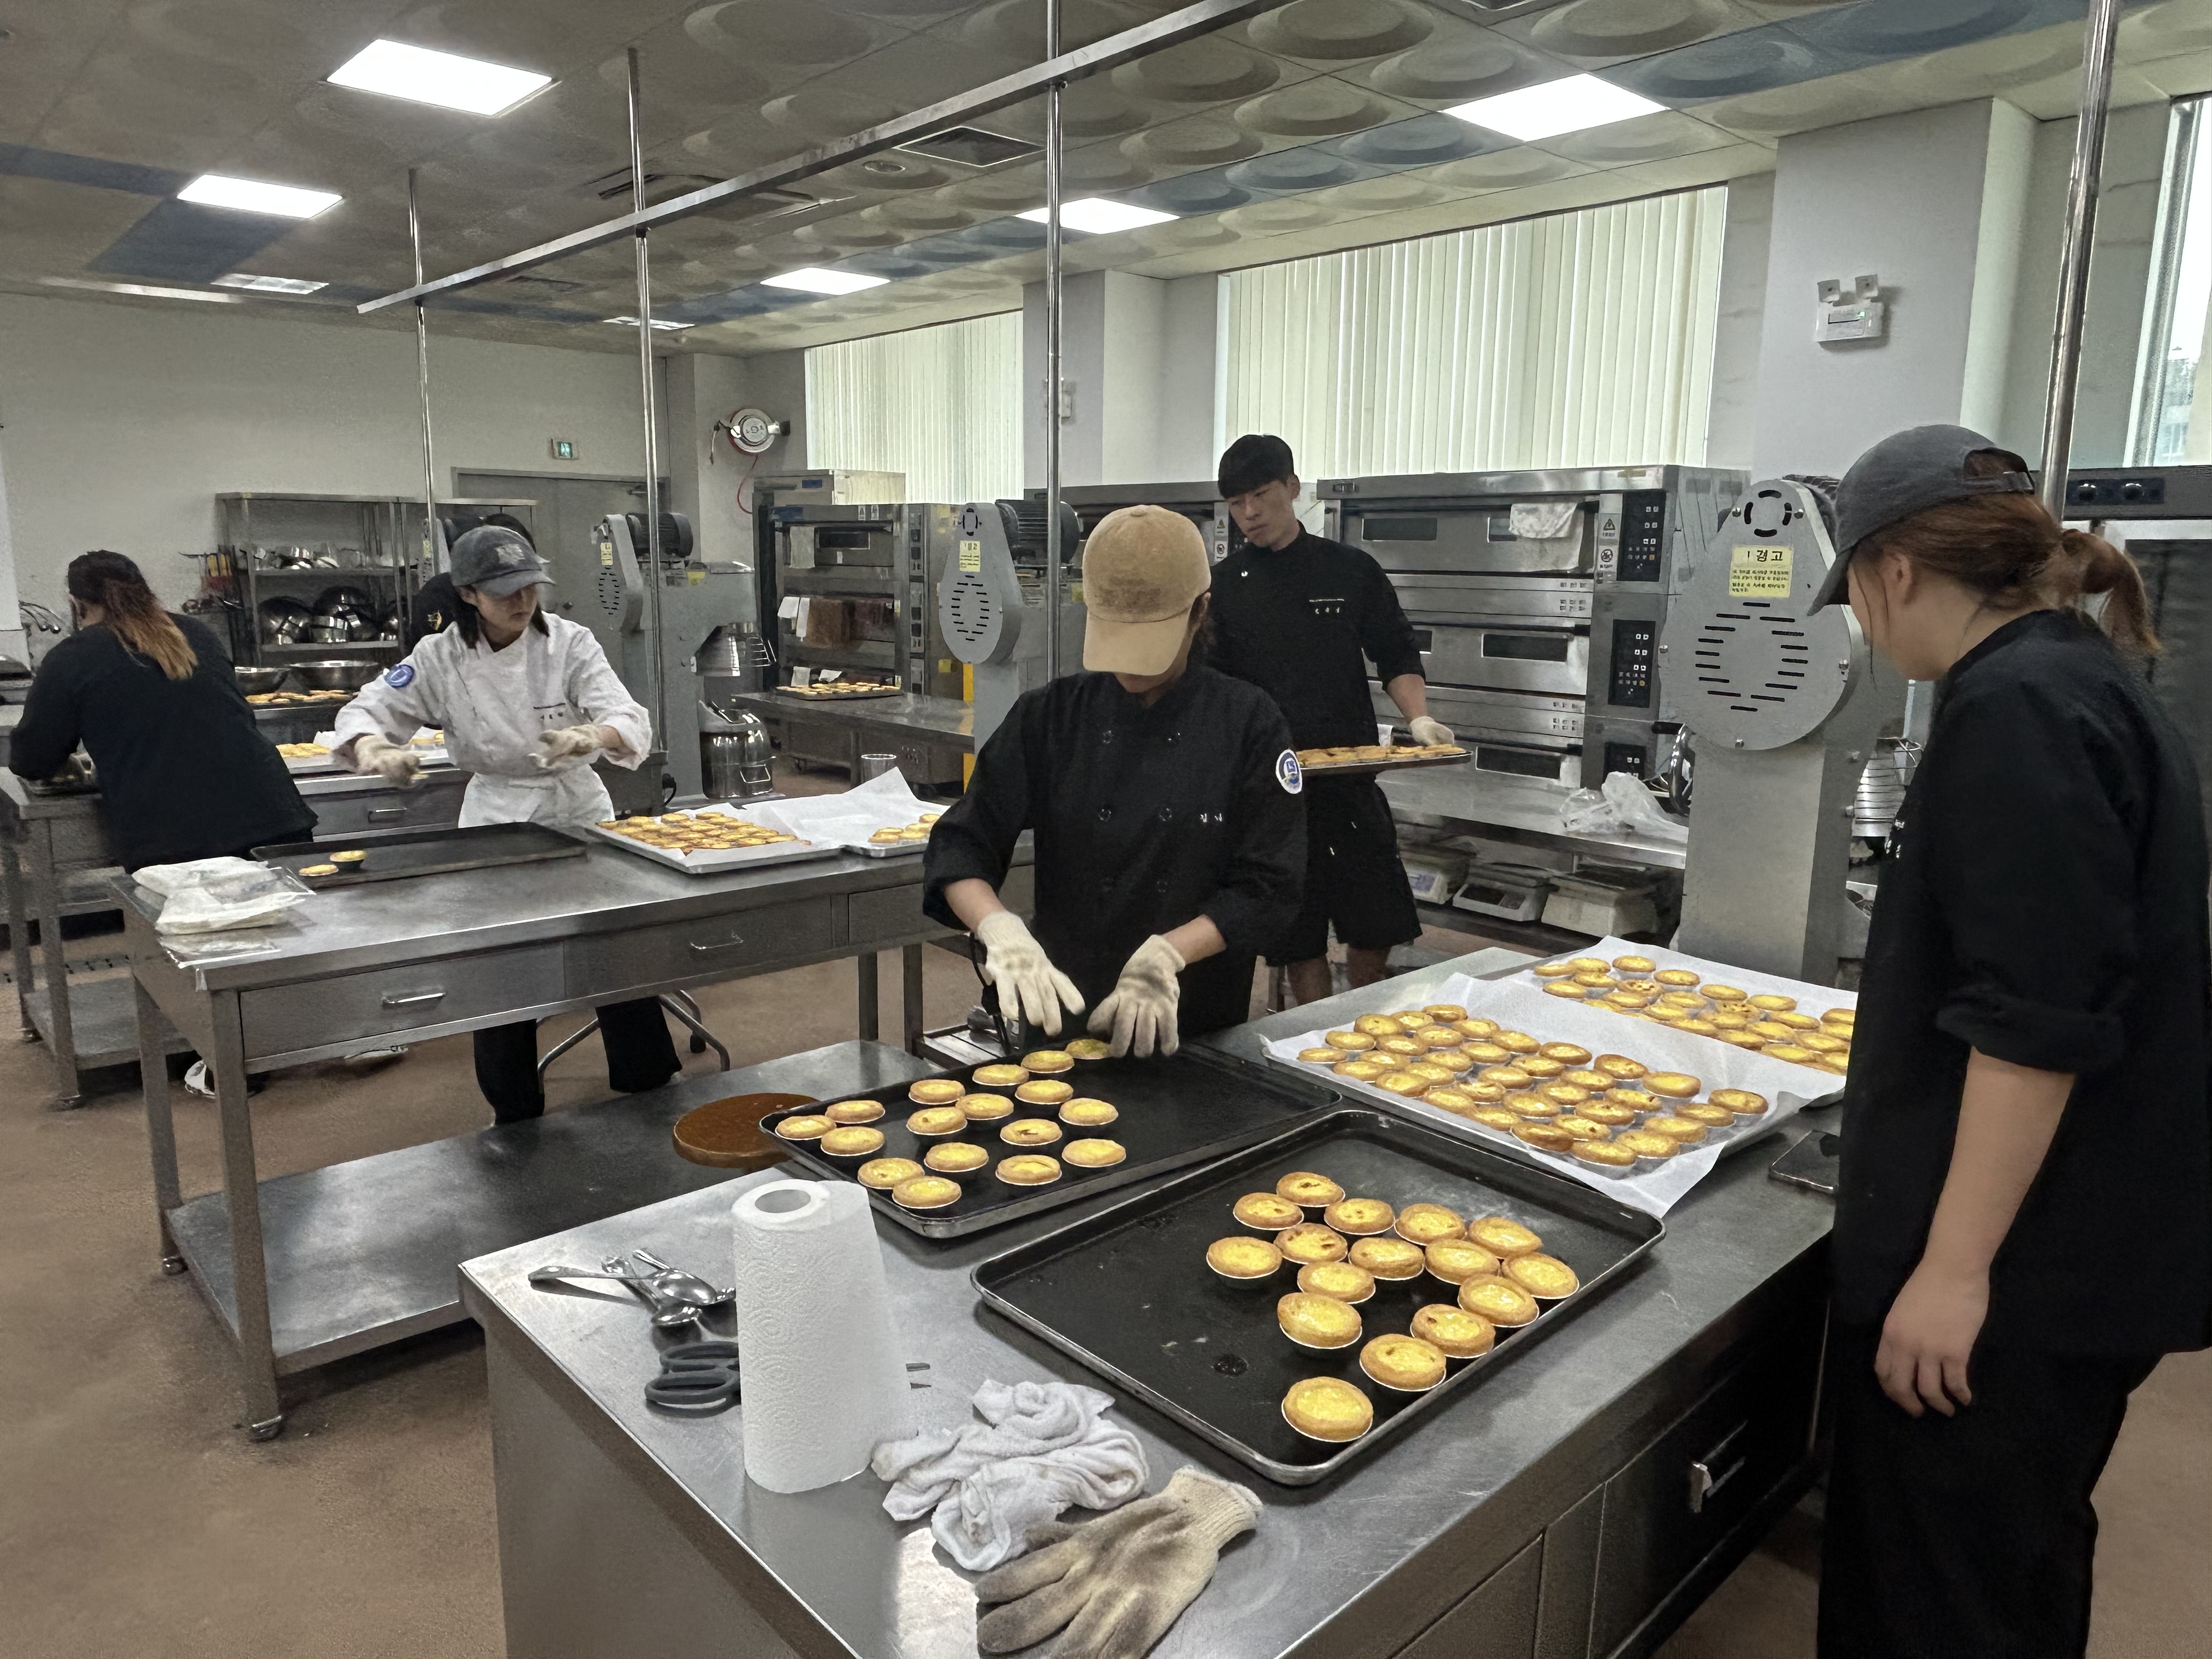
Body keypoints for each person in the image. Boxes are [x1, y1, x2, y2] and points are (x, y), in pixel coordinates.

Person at [1811, 426, 2211, 1658]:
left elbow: (2033, 1024)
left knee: (1941, 1595)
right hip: (2088, 1246)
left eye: (1855, 595)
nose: (1865, 627)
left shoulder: (2014, 707)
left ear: (1890, 570)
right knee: (2014, 1563)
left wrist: (1951, 1272)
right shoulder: (2081, 675)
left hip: (2024, 1275)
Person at [923, 506, 1304, 1057]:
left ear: (1200, 611)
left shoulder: (1248, 723)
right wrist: (1000, 929)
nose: (1131, 665)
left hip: (1194, 1016)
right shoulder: (1051, 717)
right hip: (1059, 1007)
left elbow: (1270, 886)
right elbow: (962, 843)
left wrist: (1169, 955)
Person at [332, 525, 678, 1122]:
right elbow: (370, 709)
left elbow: (626, 715)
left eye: (530, 587)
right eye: (505, 591)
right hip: (496, 815)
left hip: (575, 808)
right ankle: (513, 1106)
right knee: (501, 961)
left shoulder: (569, 643)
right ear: (468, 595)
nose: (522, 601)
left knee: (611, 945)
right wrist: (371, 747)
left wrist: (593, 735)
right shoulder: (439, 656)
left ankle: (646, 1077)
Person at [1207, 433, 1450, 1003]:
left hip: (1350, 781)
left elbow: (1395, 652)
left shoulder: (1350, 570)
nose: (1250, 513)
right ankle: (1314, 1030)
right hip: (1273, 793)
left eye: (1261, 496)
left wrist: (1419, 719)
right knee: (1298, 937)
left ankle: (1363, 1009)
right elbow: (1211, 688)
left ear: (1293, 488)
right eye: (1237, 503)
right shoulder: (1224, 587)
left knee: (1378, 922)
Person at [10, 551, 314, 869]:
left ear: (76, 604)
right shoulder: (197, 633)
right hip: (274, 817)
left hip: (178, 841)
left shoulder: (72, 656)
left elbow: (33, 759)